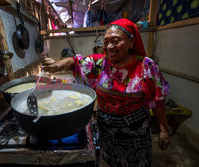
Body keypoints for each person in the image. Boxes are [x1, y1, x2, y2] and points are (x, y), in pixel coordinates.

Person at [42, 18, 170, 167]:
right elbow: (75, 62)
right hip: (107, 134)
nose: (109, 46)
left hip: (135, 137)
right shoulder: (99, 64)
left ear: (131, 42)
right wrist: (57, 65)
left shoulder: (145, 66)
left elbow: (158, 99)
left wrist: (164, 130)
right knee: (110, 162)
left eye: (115, 41)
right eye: (106, 41)